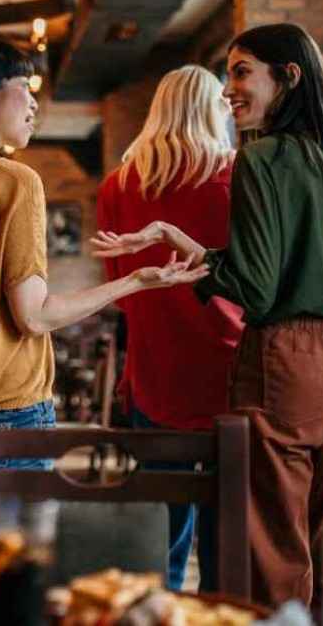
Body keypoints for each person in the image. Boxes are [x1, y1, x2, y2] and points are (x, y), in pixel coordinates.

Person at [93, 23, 323, 609]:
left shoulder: (259, 160)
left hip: (283, 365)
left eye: (242, 72)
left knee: (274, 553)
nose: (228, 90)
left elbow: (255, 291)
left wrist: (199, 264)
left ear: (287, 78)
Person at [0, 36, 205, 588]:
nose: (33, 105)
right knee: (13, 591)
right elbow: (36, 316)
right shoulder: (15, 181)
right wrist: (135, 280)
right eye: (24, 90)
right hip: (10, 418)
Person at [95, 65, 240, 593]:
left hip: (153, 374)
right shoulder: (234, 175)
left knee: (160, 533)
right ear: (212, 110)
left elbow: (120, 288)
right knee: (230, 531)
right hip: (230, 373)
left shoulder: (118, 185)